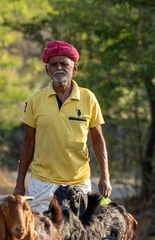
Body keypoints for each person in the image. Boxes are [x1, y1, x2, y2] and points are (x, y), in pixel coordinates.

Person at [14, 40, 112, 212]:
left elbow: (98, 140)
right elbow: (28, 144)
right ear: (47, 70)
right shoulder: (35, 101)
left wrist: (105, 176)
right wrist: (19, 183)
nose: (59, 68)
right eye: (54, 64)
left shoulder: (88, 98)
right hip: (42, 184)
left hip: (78, 183)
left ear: (74, 69)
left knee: (79, 236)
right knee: (40, 235)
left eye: (64, 64)